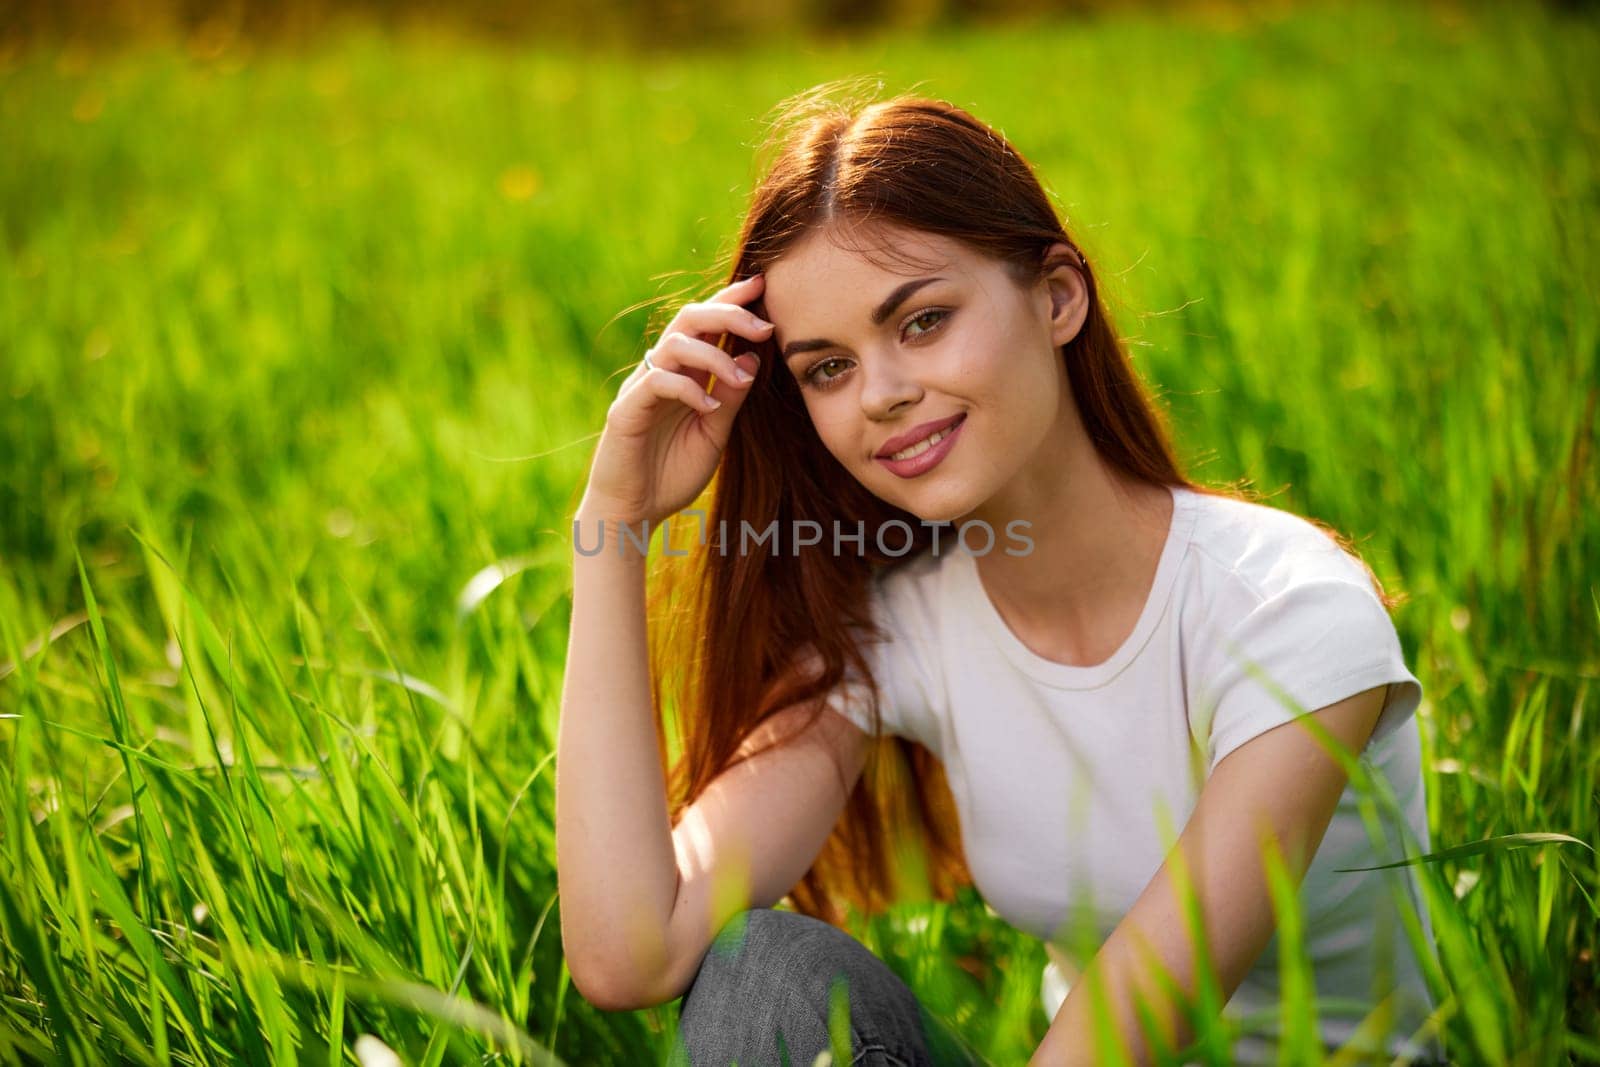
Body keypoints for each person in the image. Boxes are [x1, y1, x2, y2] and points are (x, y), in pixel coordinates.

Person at [556, 79, 1447, 1066]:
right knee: (757, 969)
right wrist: (612, 523)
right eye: (826, 367)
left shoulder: (1285, 611)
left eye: (922, 320)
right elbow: (631, 950)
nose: (882, 395)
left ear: (1057, 296)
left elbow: (1130, 1025)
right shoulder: (904, 623)